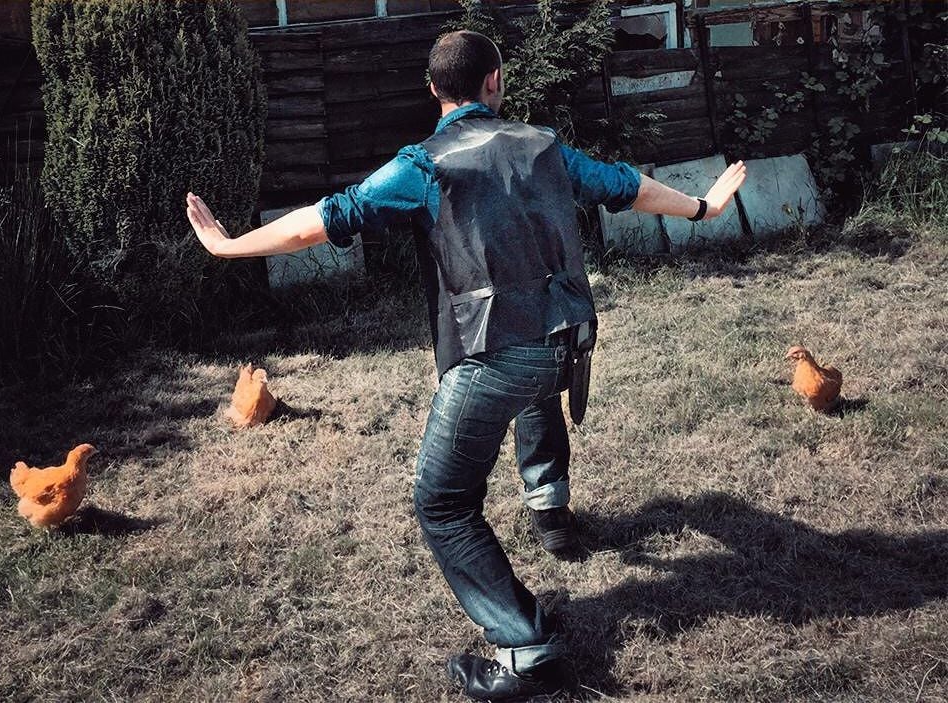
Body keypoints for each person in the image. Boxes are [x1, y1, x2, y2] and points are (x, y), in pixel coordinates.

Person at [187, 30, 745, 702]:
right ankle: (549, 507)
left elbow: (323, 220)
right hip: (565, 344)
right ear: (495, 81)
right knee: (530, 389)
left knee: (443, 501)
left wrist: (228, 247)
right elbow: (626, 186)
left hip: (494, 355)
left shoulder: (421, 165)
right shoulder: (545, 146)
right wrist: (704, 207)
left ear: (433, 90)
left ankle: (526, 647)